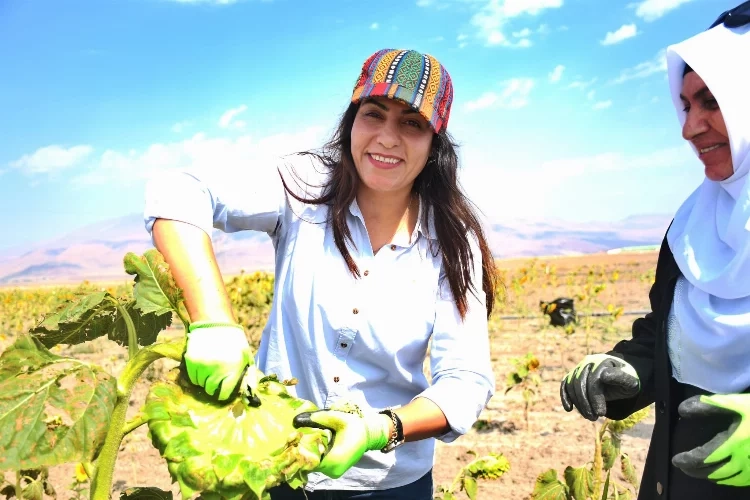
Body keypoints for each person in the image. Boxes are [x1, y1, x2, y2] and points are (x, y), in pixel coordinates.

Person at [143, 48, 497, 499]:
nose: (387, 138)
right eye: (374, 114)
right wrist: (213, 321)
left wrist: (379, 428)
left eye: (412, 123)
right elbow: (180, 190)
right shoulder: (306, 190)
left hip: (389, 485)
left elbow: (466, 379)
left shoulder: (451, 240)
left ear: (435, 142)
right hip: (277, 470)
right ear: (352, 120)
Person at [559, 3, 750, 499]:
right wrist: (630, 371)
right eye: (686, 106)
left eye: (712, 101)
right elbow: (664, 333)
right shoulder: (692, 226)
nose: (690, 127)